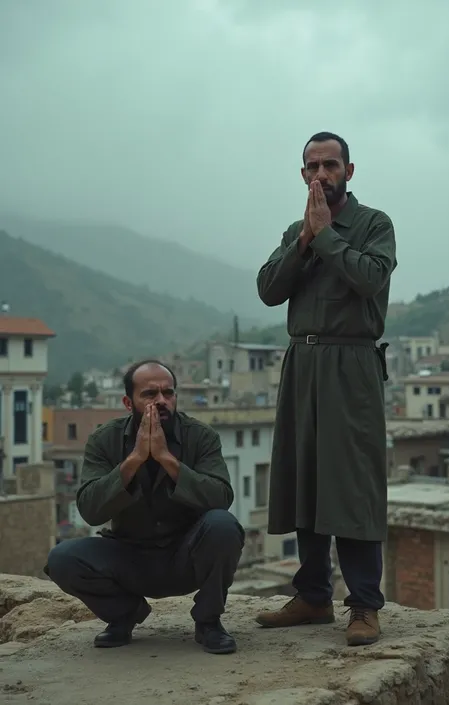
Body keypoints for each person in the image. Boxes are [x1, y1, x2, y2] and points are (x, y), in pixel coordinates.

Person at [254, 132, 397, 646]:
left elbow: (369, 279)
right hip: (302, 362)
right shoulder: (297, 229)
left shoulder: (374, 224)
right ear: (302, 173)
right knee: (305, 477)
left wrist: (329, 235)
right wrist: (306, 240)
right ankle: (313, 596)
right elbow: (269, 289)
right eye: (312, 166)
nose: (321, 174)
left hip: (352, 363)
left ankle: (363, 605)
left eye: (330, 165)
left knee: (353, 483)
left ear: (349, 171)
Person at [45, 359, 244, 654]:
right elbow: (90, 509)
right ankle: (124, 614)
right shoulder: (104, 440)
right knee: (62, 559)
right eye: (150, 394)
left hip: (186, 555)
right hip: (130, 557)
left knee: (224, 526)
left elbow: (221, 497)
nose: (161, 401)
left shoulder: (200, 436)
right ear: (128, 402)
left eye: (168, 393)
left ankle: (208, 621)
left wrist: (167, 459)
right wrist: (135, 459)